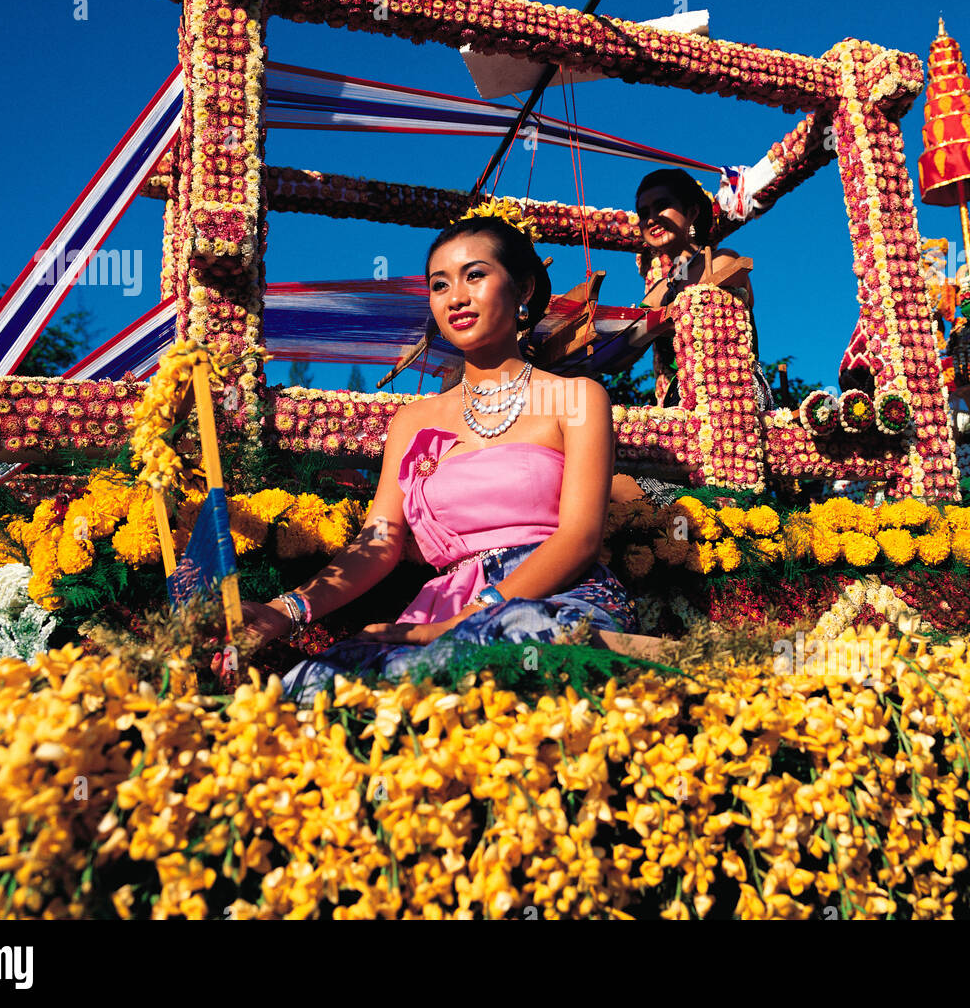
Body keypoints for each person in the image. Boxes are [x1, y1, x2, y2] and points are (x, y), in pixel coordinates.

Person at [228, 200, 640, 704]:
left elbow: (578, 538)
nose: (455, 297)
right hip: (440, 607)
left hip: (551, 600)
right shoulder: (413, 421)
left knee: (500, 649)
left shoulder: (576, 399)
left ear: (524, 289)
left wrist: (474, 616)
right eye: (439, 285)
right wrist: (285, 610)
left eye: (474, 276)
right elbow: (377, 544)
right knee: (314, 691)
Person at [634, 168, 772, 409]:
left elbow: (702, 314)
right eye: (644, 213)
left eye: (662, 206)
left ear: (692, 212)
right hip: (680, 405)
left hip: (735, 399)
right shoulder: (656, 292)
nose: (652, 219)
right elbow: (626, 344)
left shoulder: (722, 261)